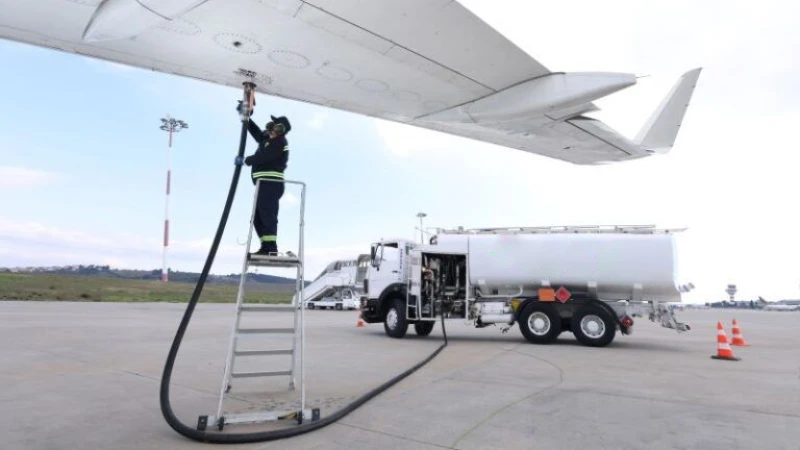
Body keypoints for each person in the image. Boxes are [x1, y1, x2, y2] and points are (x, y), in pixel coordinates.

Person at [237, 103, 292, 257]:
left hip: (271, 183)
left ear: (282, 131)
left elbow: (265, 156)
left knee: (267, 214)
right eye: (272, 126)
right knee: (259, 217)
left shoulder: (280, 142)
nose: (273, 130)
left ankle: (271, 249)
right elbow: (255, 131)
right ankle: (266, 246)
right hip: (263, 183)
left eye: (278, 128)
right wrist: (245, 117)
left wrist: (246, 160)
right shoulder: (267, 139)